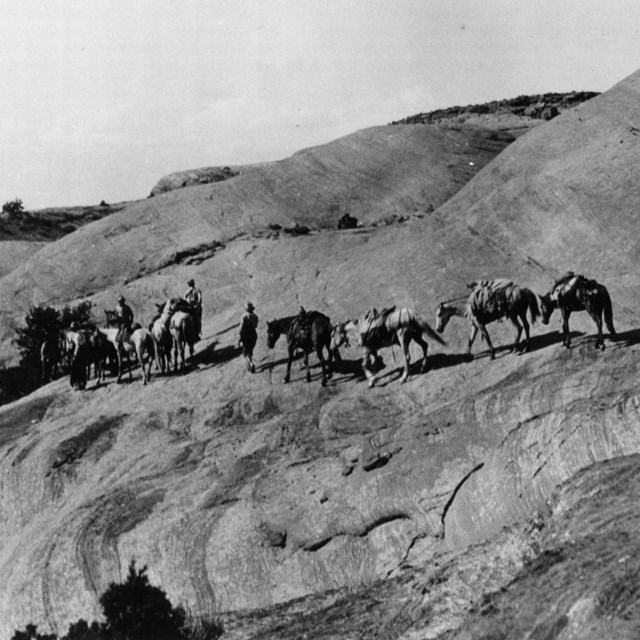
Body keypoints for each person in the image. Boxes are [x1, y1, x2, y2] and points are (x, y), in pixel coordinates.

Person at [238, 302, 258, 373]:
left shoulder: (244, 316)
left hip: (245, 335)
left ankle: (251, 363)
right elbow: (255, 326)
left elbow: (241, 328)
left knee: (245, 351)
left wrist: (240, 338)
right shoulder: (255, 316)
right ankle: (250, 361)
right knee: (250, 349)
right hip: (253, 335)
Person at [68, 321, 88, 390]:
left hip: (79, 353)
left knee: (78, 369)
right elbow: (84, 343)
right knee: (83, 369)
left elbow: (77, 346)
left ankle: (79, 384)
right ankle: (83, 383)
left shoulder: (77, 335)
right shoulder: (82, 334)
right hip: (84, 352)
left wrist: (74, 355)